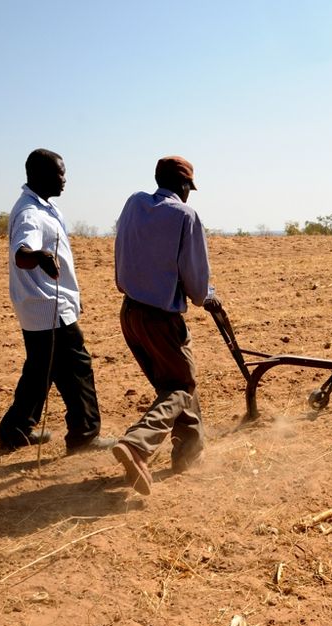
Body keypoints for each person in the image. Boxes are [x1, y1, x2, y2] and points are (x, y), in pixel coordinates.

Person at [111, 156, 221, 495]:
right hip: (161, 318)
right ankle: (138, 444)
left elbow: (120, 250)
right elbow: (197, 282)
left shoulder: (133, 203)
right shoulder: (186, 216)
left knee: (175, 382)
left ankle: (188, 451)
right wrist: (208, 298)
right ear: (185, 187)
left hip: (130, 313)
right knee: (180, 386)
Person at [0, 149, 113, 455]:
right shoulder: (30, 214)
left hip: (50, 305)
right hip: (47, 306)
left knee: (41, 370)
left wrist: (72, 299)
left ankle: (15, 430)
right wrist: (38, 256)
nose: (65, 179)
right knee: (77, 368)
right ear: (38, 174)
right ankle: (84, 436)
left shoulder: (44, 207)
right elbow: (22, 253)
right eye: (60, 173)